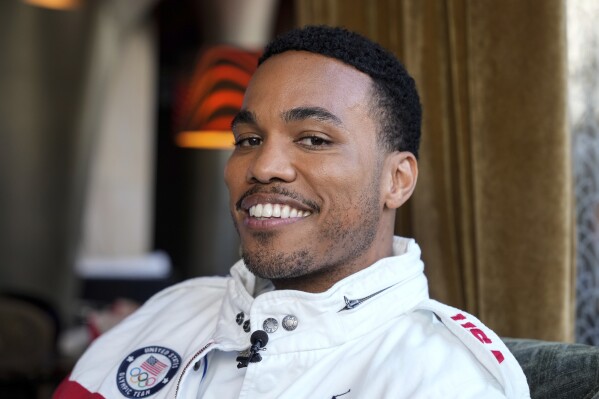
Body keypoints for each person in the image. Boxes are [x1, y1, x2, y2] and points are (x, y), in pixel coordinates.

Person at [54, 25, 530, 398]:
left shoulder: (444, 380)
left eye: (314, 140)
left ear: (397, 180)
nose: (263, 166)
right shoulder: (171, 312)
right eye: (248, 140)